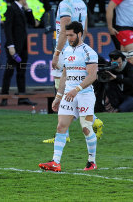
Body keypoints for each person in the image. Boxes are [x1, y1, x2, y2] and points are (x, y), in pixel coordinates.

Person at [39, 21, 99, 172]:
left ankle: (91, 161)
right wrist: (58, 96)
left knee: (86, 128)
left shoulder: (89, 52)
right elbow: (64, 75)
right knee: (61, 127)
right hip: (68, 95)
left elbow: (92, 76)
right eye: (67, 36)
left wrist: (77, 89)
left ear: (79, 34)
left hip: (84, 95)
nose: (69, 38)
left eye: (71, 35)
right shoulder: (66, 51)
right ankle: (55, 162)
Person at [0, 0, 36, 106]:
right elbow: (7, 28)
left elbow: (32, 22)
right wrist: (10, 45)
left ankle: (22, 97)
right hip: (14, 47)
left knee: (22, 72)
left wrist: (28, 9)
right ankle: (4, 98)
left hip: (23, 46)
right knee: (9, 71)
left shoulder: (22, 9)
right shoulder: (11, 9)